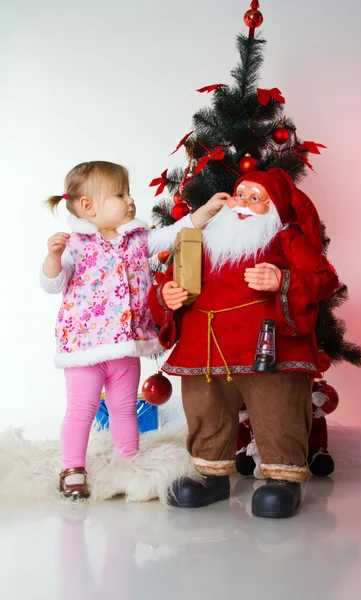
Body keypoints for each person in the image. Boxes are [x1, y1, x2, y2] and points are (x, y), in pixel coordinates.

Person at [148, 167, 339, 518]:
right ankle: (210, 474)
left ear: (276, 209)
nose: (243, 204)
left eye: (256, 199)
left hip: (266, 345)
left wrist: (283, 278)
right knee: (206, 407)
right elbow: (168, 279)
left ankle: (283, 478)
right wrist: (166, 294)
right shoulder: (203, 239)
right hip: (204, 345)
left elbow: (324, 279)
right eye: (240, 195)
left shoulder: (284, 240)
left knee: (277, 404)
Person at [40, 160, 228, 499]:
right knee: (81, 410)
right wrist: (53, 257)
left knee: (124, 407)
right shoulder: (76, 244)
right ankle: (72, 467)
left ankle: (128, 461)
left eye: (129, 192)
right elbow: (53, 284)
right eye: (120, 194)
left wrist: (207, 211)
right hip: (85, 348)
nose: (130, 200)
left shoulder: (137, 238)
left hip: (127, 345)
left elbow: (177, 233)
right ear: (89, 206)